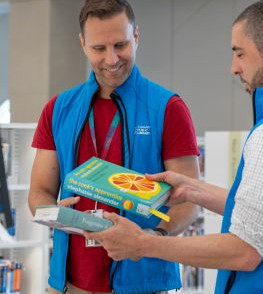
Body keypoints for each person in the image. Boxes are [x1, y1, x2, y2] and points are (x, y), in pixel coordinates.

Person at [85, 1, 263, 293]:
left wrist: (144, 244)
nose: (234, 68)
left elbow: (244, 250)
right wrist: (193, 190)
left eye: (239, 53)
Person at [28, 0, 200, 293]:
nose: (111, 59)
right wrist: (55, 215)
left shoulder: (167, 108)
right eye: (99, 48)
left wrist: (149, 237)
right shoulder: (58, 109)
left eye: (120, 44)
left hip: (145, 282)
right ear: (83, 44)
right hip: (70, 284)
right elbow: (39, 191)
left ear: (136, 37)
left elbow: (189, 201)